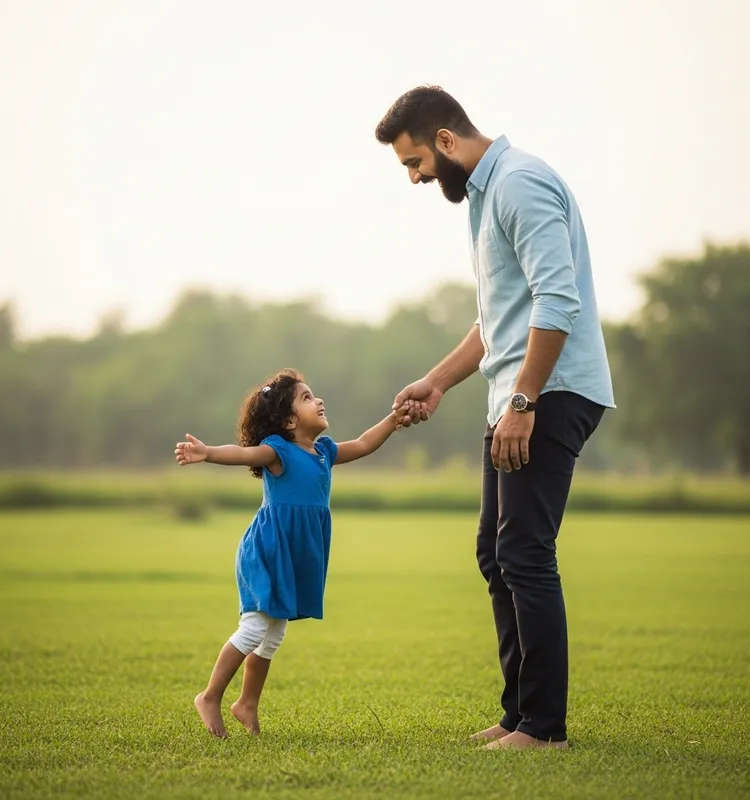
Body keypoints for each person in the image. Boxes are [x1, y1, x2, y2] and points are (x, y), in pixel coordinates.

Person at [376, 86, 615, 750]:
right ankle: (518, 715)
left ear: (446, 141)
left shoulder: (520, 183)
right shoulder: (484, 199)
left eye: (415, 162)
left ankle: (544, 729)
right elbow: (497, 320)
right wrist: (438, 381)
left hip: (551, 391)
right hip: (518, 394)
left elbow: (557, 299)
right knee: (497, 553)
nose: (417, 178)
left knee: (525, 553)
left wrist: (523, 401)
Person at [174, 368, 417, 737]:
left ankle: (246, 704)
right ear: (289, 420)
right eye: (306, 398)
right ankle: (209, 696)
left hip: (298, 551)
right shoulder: (278, 450)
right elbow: (243, 453)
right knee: (256, 626)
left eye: (313, 395)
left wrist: (393, 420)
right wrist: (207, 453)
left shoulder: (324, 451)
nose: (317, 400)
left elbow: (365, 443)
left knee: (275, 632)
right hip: (270, 548)